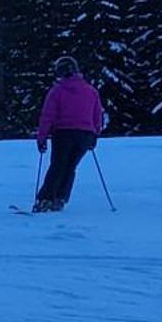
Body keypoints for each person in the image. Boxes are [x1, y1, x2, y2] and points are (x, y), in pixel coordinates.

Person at [34, 56, 106, 213]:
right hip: (85, 135)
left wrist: (42, 137)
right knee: (70, 167)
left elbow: (48, 115)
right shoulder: (90, 91)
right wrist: (95, 134)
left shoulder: (57, 91)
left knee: (57, 166)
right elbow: (97, 114)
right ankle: (60, 198)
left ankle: (45, 199)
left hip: (63, 133)